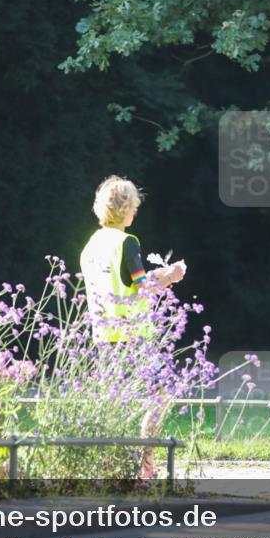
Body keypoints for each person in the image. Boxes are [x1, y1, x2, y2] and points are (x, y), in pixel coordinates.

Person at [79, 175, 185, 479]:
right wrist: (171, 275)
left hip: (103, 335)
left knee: (112, 405)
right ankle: (145, 468)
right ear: (126, 207)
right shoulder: (128, 242)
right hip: (134, 336)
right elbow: (143, 286)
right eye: (134, 206)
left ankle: (107, 469)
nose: (135, 211)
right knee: (160, 396)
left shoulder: (91, 246)